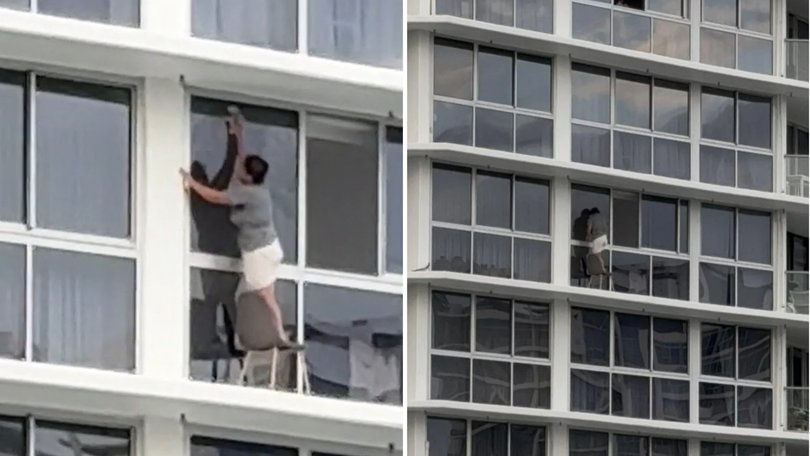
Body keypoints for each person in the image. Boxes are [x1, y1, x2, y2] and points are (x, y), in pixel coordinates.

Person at [181, 108, 295, 347]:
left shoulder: (245, 194)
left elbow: (215, 194)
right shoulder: (254, 189)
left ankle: (274, 336)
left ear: (249, 177)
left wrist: (191, 183)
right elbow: (236, 164)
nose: (239, 170)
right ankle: (245, 340)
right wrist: (237, 133)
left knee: (258, 295)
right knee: (238, 296)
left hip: (256, 251)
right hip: (257, 248)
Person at [586, 207, 609, 277]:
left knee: (596, 255)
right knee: (599, 254)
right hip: (604, 238)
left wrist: (588, 235)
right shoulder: (603, 218)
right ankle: (602, 268)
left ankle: (602, 269)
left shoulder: (591, 217)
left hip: (597, 238)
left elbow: (589, 228)